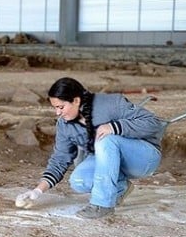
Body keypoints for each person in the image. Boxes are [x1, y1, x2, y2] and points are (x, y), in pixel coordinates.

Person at [16, 77, 164, 219]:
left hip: (143, 158)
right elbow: (60, 159)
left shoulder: (110, 103)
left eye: (61, 107)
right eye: (55, 108)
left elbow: (153, 123)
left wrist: (115, 126)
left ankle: (102, 205)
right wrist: (37, 190)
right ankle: (120, 187)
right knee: (79, 181)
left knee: (105, 139)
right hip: (110, 161)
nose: (58, 113)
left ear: (76, 100)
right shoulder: (64, 125)